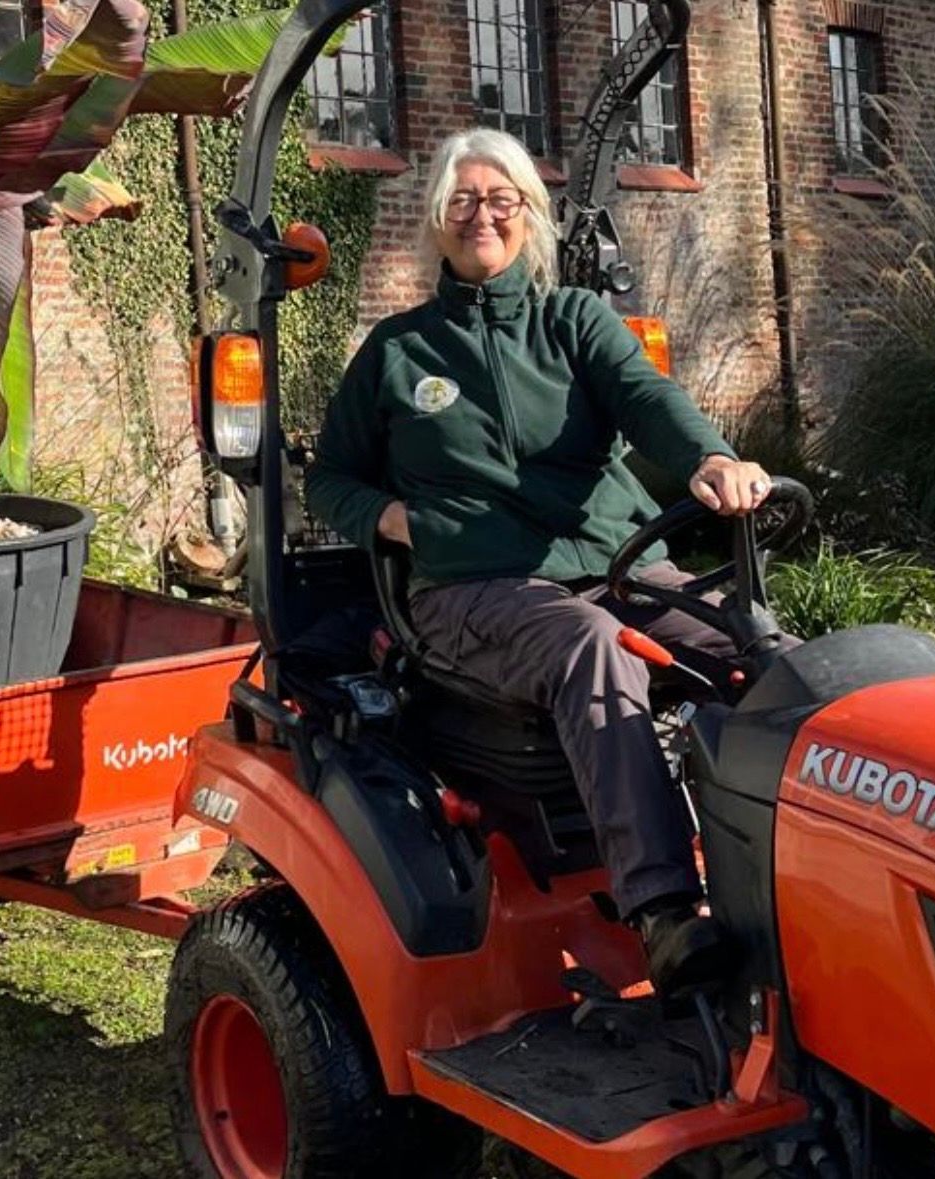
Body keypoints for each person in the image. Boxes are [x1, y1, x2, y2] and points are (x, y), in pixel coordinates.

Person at [306, 128, 773, 1001]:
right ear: (437, 224)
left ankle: (800, 884)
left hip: (618, 565)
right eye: (462, 202)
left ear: (529, 217)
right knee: (592, 646)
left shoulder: (576, 322)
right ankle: (668, 914)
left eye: (499, 200)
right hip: (471, 591)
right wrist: (395, 518)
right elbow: (330, 476)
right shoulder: (398, 352)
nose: (481, 215)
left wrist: (711, 458)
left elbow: (648, 398)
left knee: (766, 657)